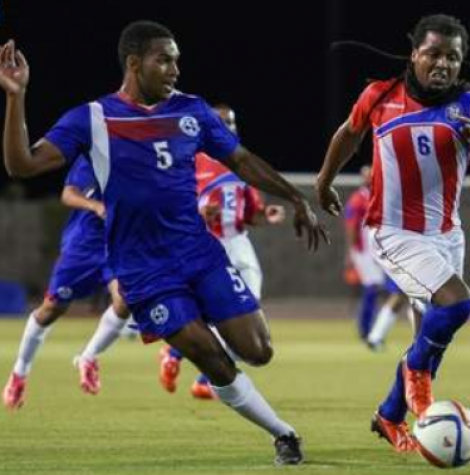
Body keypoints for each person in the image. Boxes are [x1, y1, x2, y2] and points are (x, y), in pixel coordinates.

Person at [0, 20, 327, 465]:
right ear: (135, 64)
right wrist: (16, 97)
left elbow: (242, 159)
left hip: (199, 252)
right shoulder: (93, 118)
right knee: (211, 358)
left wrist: (296, 198)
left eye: (176, 59)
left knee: (259, 351)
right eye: (164, 59)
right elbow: (22, 165)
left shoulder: (191, 111)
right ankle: (284, 434)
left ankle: (192, 321)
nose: (175, 68)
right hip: (143, 271)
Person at [316, 14, 470, 453]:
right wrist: (323, 181)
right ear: (414, 54)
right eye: (433, 53)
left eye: (453, 56)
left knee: (435, 336)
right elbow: (349, 133)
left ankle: (389, 416)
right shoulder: (380, 96)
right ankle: (415, 374)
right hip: (394, 233)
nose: (442, 63)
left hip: (447, 235)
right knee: (457, 303)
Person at [159, 103, 287, 400]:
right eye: (221, 123)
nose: (228, 129)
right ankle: (200, 373)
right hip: (208, 245)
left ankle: (180, 358)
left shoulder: (241, 162)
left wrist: (266, 214)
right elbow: (173, 208)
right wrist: (202, 210)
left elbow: (250, 212)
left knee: (246, 308)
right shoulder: (189, 161)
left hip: (238, 241)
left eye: (231, 123)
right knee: (233, 313)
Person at [3, 156, 132, 409]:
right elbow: (68, 195)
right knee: (51, 309)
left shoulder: (140, 155)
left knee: (126, 300)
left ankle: (88, 357)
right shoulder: (96, 157)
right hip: (83, 247)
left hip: (118, 245)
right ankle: (20, 373)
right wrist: (95, 206)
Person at [344, 165, 407, 351]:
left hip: (380, 250)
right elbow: (350, 227)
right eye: (367, 176)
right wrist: (350, 252)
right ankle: (365, 330)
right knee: (373, 287)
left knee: (388, 288)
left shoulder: (381, 197)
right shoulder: (357, 200)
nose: (370, 179)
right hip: (364, 251)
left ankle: (372, 329)